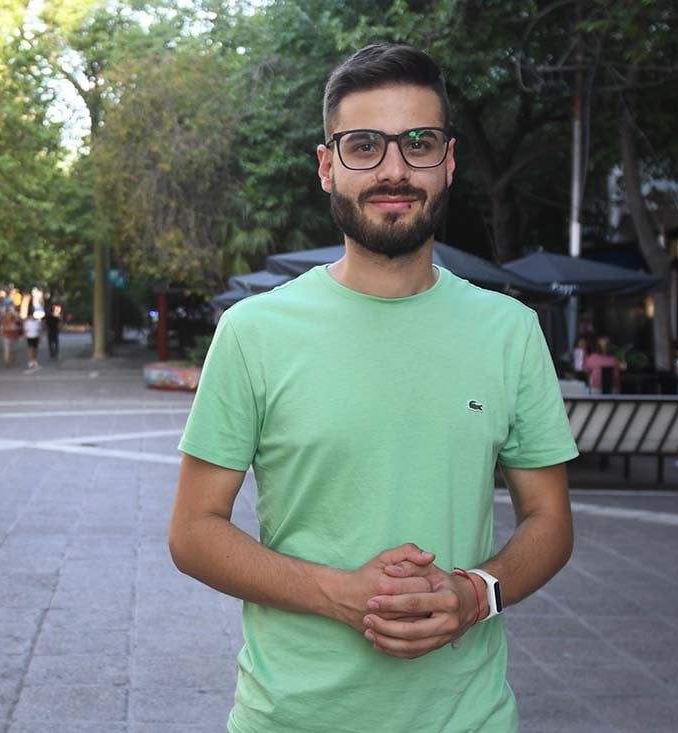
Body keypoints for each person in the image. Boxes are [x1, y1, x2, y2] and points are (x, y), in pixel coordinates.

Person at [168, 44, 577, 733]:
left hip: (468, 718)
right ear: (328, 166)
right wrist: (340, 595)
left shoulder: (510, 331)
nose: (394, 169)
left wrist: (475, 594)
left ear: (448, 161)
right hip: (290, 718)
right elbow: (193, 531)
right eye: (364, 145)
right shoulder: (252, 331)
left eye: (418, 143)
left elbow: (550, 520)